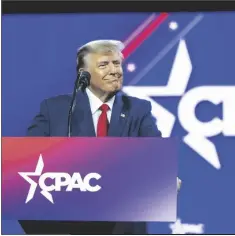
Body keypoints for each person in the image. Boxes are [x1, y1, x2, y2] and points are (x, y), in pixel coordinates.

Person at [20, 39, 180, 235]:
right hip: (67, 226)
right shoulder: (56, 109)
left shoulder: (138, 109)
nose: (114, 70)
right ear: (83, 74)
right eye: (104, 65)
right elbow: (28, 159)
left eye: (117, 63)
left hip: (121, 226)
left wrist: (164, 177)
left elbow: (154, 154)